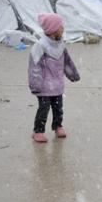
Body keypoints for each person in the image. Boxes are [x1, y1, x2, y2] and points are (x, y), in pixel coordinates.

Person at [28, 13, 80, 143]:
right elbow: (35, 66)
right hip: (44, 86)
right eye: (60, 26)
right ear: (52, 30)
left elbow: (67, 62)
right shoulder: (40, 46)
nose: (63, 28)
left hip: (57, 84)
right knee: (43, 109)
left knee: (58, 108)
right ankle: (38, 131)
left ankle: (58, 126)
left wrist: (73, 74)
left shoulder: (61, 45)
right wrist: (36, 84)